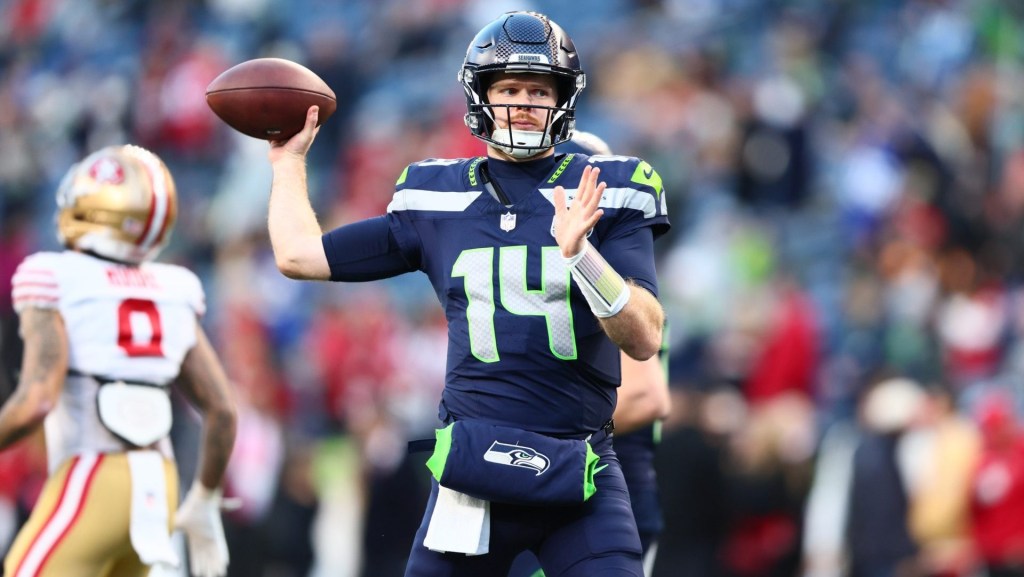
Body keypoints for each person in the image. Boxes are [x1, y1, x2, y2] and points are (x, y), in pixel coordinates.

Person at [265, 10, 670, 577]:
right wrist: (288, 165)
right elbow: (297, 256)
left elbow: (645, 336)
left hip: (579, 465)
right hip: (472, 470)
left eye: (538, 89)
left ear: (564, 100)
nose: (525, 103)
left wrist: (583, 258)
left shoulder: (605, 188)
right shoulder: (435, 196)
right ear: (481, 98)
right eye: (509, 88)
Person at [0, 145, 238, 577]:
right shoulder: (174, 287)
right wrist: (204, 498)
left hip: (94, 474)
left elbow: (36, 400)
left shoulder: (54, 275)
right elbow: (222, 410)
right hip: (162, 485)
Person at [508, 132, 673, 577]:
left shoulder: (620, 298)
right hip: (566, 491)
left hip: (603, 499)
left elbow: (646, 396)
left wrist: (534, 429)